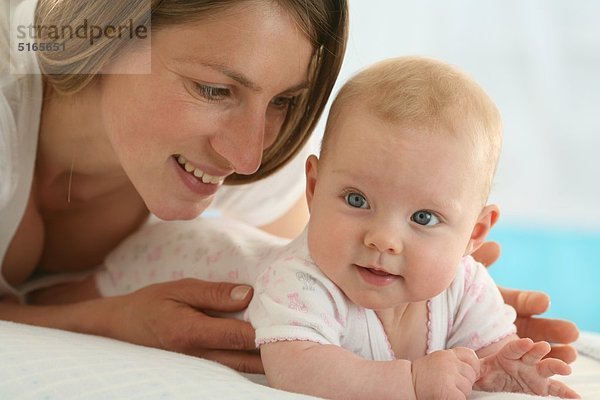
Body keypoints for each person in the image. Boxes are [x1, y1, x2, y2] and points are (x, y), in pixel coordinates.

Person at [0, 0, 576, 374]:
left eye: (282, 102)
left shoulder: (253, 161)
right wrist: (112, 320)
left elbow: (316, 270)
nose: (249, 156)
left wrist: (430, 294)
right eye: (214, 90)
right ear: (113, 31)